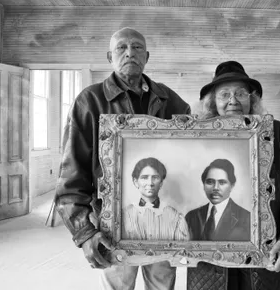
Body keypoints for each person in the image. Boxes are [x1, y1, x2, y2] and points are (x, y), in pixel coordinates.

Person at [54, 27, 190, 290]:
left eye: (137, 47)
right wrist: (84, 232)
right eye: (122, 48)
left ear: (147, 56)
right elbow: (72, 173)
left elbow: (187, 162)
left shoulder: (171, 100)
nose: (130, 53)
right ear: (110, 56)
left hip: (163, 225)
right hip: (112, 225)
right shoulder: (89, 101)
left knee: (162, 286)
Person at [187, 61, 280, 290]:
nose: (233, 100)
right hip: (212, 265)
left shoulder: (277, 134)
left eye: (241, 93)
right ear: (213, 101)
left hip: (267, 258)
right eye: (224, 94)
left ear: (251, 99)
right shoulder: (197, 140)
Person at [122, 157, 189, 241]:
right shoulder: (124, 215)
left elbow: (182, 250)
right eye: (144, 177)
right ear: (136, 182)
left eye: (155, 177)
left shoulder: (175, 217)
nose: (150, 183)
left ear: (161, 183)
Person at [185, 159, 250, 242]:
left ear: (232, 185)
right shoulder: (191, 217)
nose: (215, 188)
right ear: (203, 185)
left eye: (222, 182)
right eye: (210, 182)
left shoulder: (247, 218)